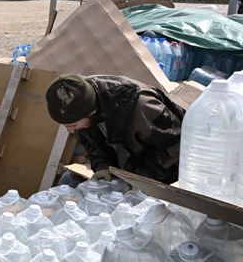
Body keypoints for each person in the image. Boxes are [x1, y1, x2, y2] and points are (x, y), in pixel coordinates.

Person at [45, 73, 185, 184]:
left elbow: (175, 143)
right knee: (69, 180)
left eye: (73, 125)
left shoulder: (140, 108)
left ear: (91, 112)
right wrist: (102, 166)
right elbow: (88, 140)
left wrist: (141, 179)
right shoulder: (77, 101)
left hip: (170, 174)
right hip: (129, 168)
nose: (70, 131)